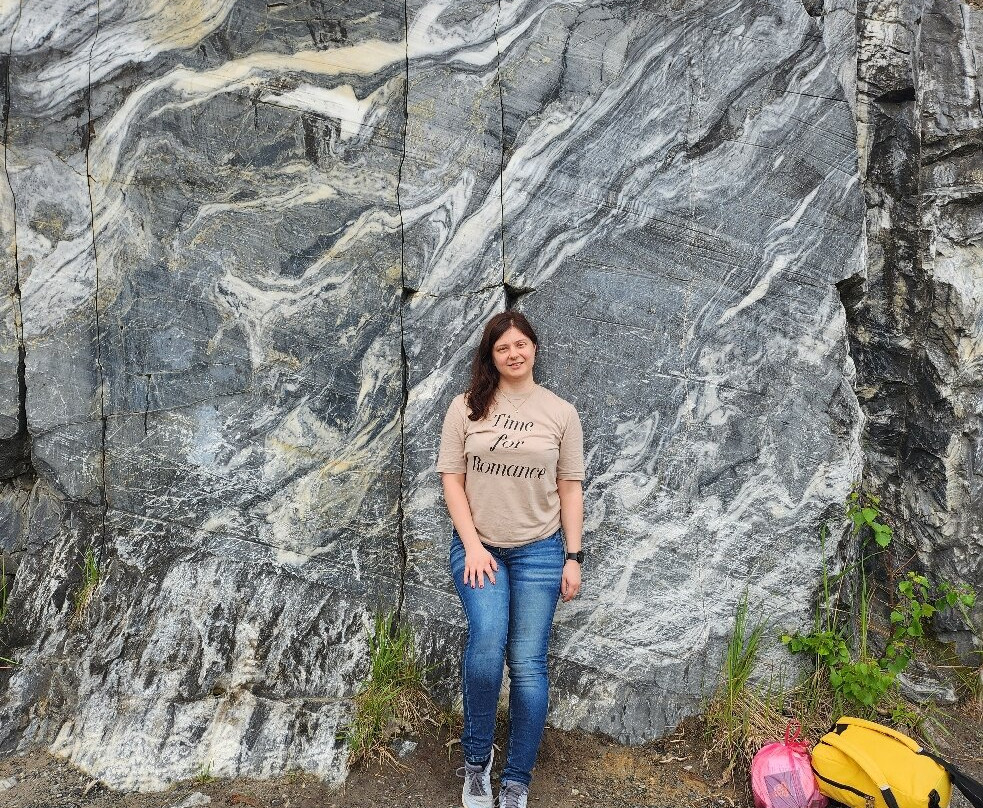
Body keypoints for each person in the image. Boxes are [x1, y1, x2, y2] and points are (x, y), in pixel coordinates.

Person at [435, 311, 586, 808]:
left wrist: (572, 556)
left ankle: (517, 779)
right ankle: (476, 764)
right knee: (485, 643)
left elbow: (570, 488)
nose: (513, 354)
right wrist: (473, 545)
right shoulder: (466, 407)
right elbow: (452, 479)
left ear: (534, 348)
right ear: (492, 356)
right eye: (503, 348)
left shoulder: (561, 413)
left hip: (540, 551)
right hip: (478, 549)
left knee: (527, 663)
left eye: (520, 344)